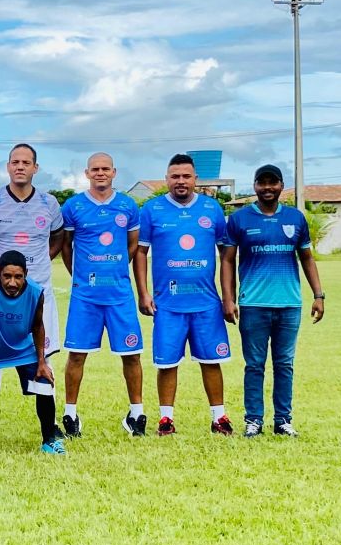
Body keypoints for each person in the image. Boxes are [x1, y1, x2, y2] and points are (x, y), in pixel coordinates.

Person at [134, 154, 235, 437]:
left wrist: (228, 297)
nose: (181, 181)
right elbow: (140, 253)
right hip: (167, 303)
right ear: (167, 179)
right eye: (175, 176)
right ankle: (166, 419)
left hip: (206, 303)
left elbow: (227, 254)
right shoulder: (152, 210)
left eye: (186, 176)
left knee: (211, 361)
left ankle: (219, 417)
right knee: (167, 363)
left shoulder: (212, 209)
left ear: (195, 180)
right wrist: (143, 293)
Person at [224, 164, 326, 437]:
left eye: (273, 182)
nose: (267, 187)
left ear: (281, 185)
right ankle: (253, 421)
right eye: (262, 182)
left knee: (284, 364)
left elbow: (306, 258)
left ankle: (283, 420)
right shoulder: (239, 219)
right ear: (254, 185)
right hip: (253, 304)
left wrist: (318, 295)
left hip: (289, 304)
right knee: (254, 365)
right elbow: (227, 260)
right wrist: (229, 299)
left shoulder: (295, 218)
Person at [0, 143, 64, 437]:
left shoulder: (49, 203)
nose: (20, 166)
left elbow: (59, 237)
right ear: (8, 166)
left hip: (37, 294)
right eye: (15, 162)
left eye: (26, 162)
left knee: (43, 355)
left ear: (36, 167)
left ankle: (49, 429)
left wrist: (33, 274)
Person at [59, 152, 147, 437]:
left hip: (120, 294)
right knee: (76, 355)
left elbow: (133, 245)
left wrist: (116, 269)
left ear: (114, 172)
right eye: (95, 169)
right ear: (86, 173)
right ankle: (70, 415)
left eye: (105, 169)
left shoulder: (127, 205)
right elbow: (65, 247)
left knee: (132, 355)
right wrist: (82, 277)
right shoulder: (73, 206)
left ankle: (137, 415)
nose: (100, 173)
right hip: (85, 296)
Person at [0, 251, 64, 456]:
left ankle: (49, 441)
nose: (12, 283)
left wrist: (42, 362)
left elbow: (37, 326)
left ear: (26, 273)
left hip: (23, 350)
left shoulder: (36, 291)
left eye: (18, 277)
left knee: (44, 384)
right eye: (7, 276)